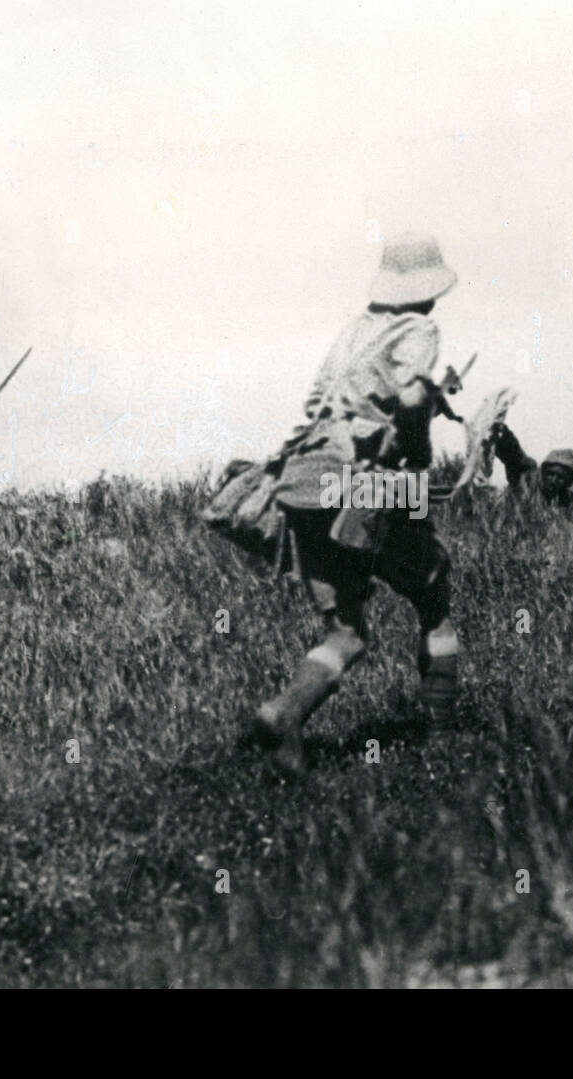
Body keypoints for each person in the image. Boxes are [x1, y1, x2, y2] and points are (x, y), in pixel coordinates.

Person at [245, 232, 463, 774]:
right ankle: (442, 739)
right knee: (434, 591)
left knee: (346, 630)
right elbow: (408, 398)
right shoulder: (420, 328)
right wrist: (417, 441)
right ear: (428, 287)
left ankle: (285, 712)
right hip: (370, 480)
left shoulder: (354, 331)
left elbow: (327, 404)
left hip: (305, 476)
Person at [489, 424, 573, 506]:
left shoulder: (569, 502)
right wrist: (503, 433)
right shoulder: (527, 480)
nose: (553, 480)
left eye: (560, 477)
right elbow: (516, 457)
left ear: (568, 482)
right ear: (543, 472)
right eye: (550, 474)